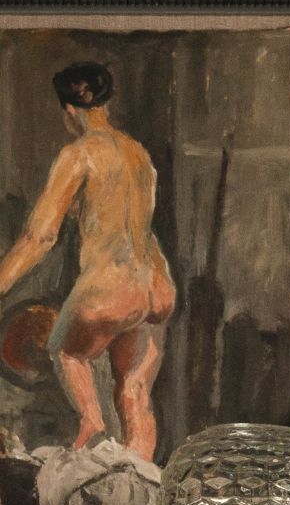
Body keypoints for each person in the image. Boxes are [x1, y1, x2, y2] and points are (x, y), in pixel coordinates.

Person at [0, 60, 175, 463]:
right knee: (135, 396)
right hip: (156, 287)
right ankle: (142, 502)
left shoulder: (79, 154)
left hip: (111, 287)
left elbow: (39, 236)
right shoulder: (138, 155)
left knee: (67, 351)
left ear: (69, 110)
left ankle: (91, 425)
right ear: (105, 102)